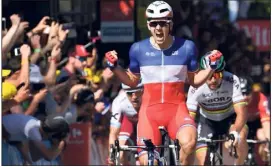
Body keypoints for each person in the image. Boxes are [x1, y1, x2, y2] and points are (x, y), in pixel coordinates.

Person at [105, 1, 223, 165]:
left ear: (171, 24)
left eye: (163, 23)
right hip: (149, 113)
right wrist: (115, 67)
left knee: (189, 142)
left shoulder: (187, 48)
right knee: (148, 162)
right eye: (154, 23)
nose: (158, 28)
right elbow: (132, 81)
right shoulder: (138, 49)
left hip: (177, 110)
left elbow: (194, 80)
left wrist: (210, 67)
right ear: (148, 25)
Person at [186, 54, 248, 165]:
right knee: (202, 160)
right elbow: (190, 116)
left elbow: (241, 112)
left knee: (241, 137)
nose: (213, 79)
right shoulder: (195, 86)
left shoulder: (232, 80)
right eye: (209, 75)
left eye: (217, 74)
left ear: (223, 72)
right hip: (207, 122)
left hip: (230, 119)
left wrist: (235, 132)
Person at [2, 113, 70, 164]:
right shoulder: (34, 131)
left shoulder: (35, 123)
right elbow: (49, 157)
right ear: (52, 134)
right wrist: (63, 144)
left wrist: (27, 161)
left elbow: (33, 155)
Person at [108, 82, 143, 165]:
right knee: (120, 154)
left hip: (145, 121)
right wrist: (112, 154)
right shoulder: (119, 101)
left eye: (137, 92)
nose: (134, 97)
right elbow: (113, 132)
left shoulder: (149, 97)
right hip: (128, 122)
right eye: (130, 94)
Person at [240, 76, 270, 162]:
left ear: (253, 92)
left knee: (263, 136)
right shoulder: (234, 100)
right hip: (242, 124)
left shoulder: (261, 98)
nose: (245, 97)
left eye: (247, 93)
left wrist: (268, 141)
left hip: (257, 125)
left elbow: (266, 122)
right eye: (242, 93)